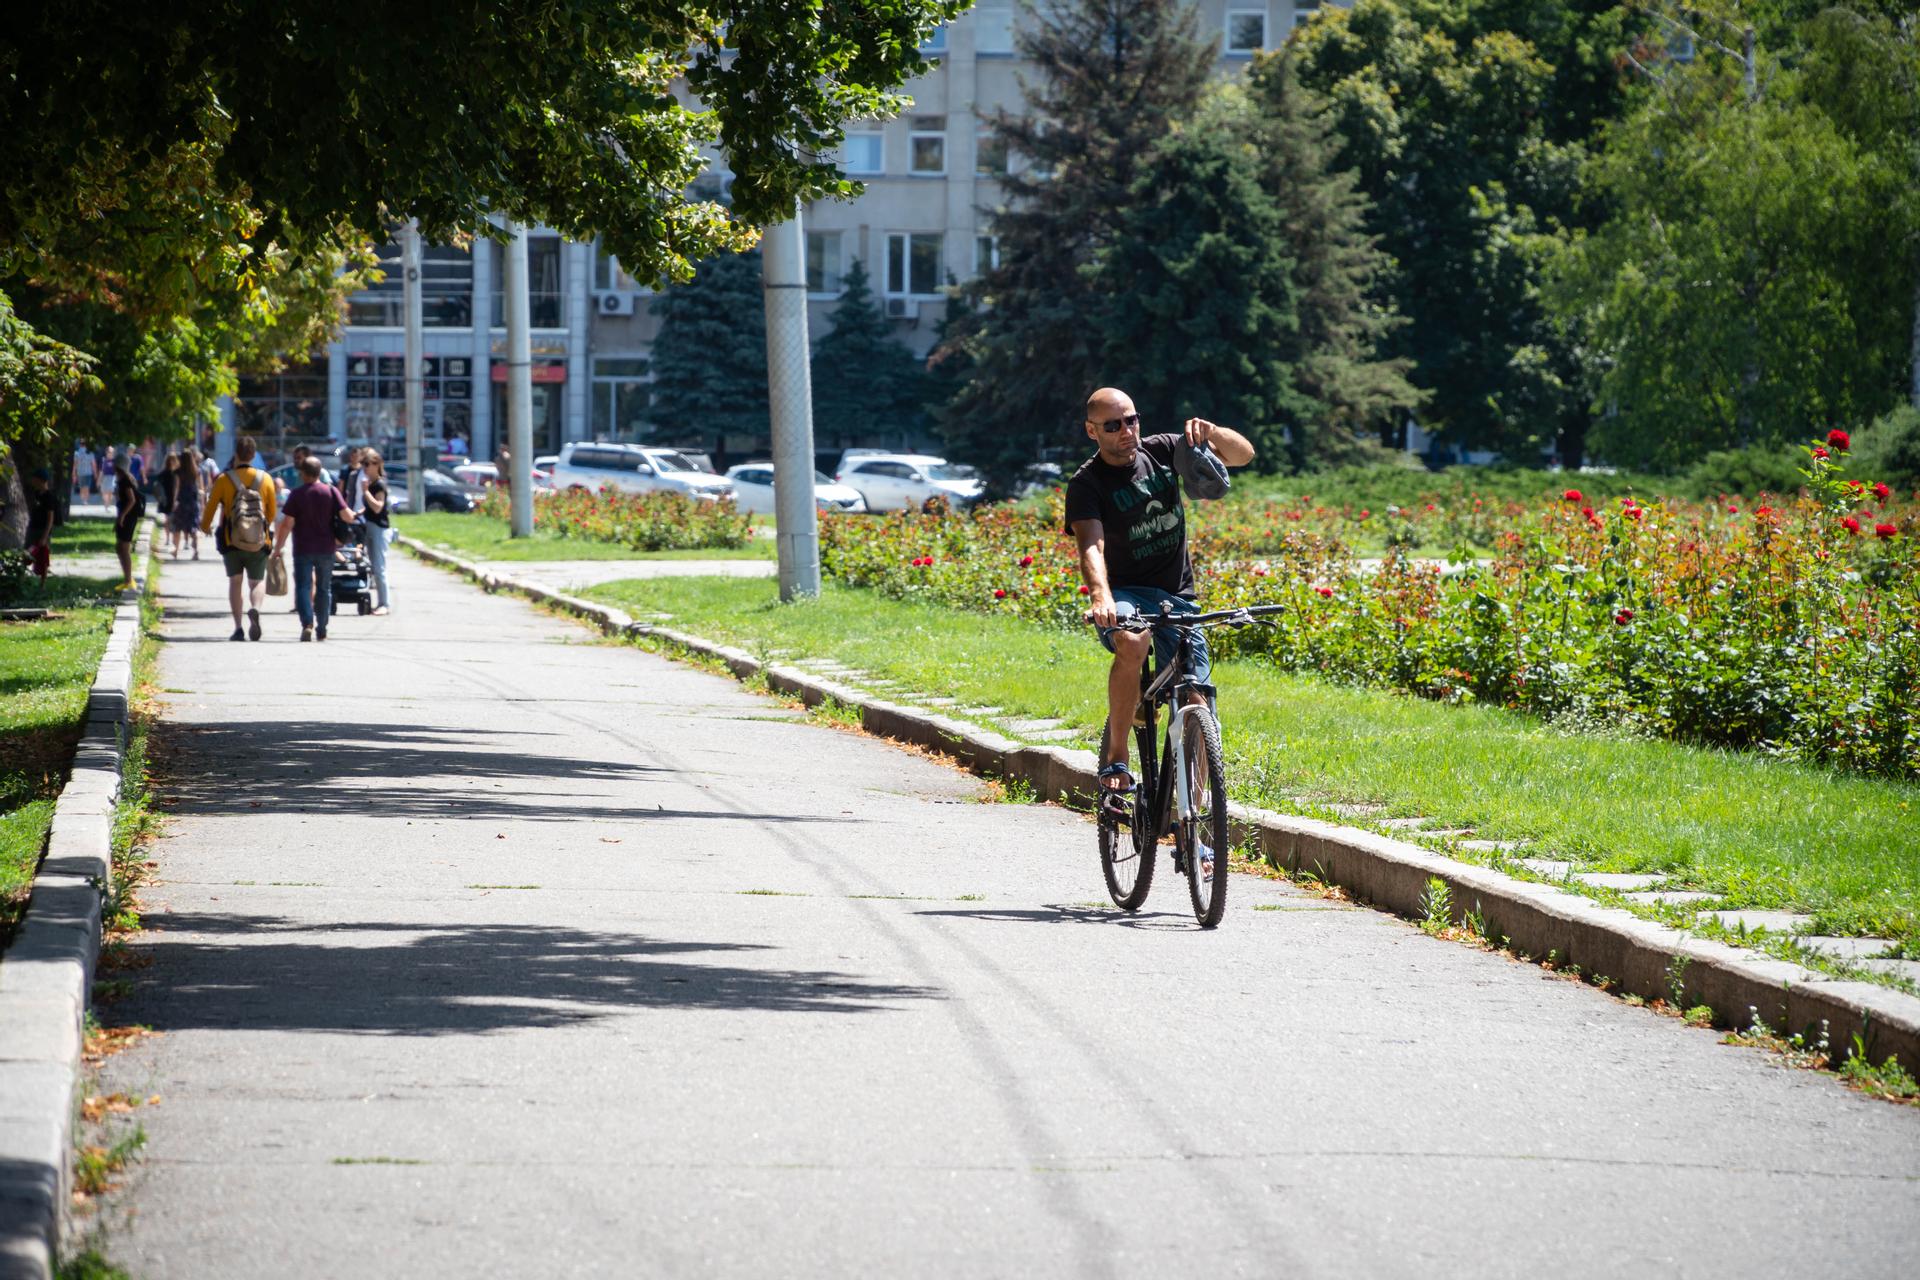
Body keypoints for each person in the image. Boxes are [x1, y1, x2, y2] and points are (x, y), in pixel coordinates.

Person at [1066, 387, 1254, 811]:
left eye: (1131, 420)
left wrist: (1215, 433)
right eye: (1112, 425)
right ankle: (1116, 757)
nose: (1126, 432)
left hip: (1177, 596)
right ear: (1092, 431)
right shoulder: (1086, 483)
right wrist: (1101, 597)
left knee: (1197, 699)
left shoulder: (1166, 449)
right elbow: (1091, 547)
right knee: (1133, 641)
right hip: (1127, 595)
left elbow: (1243, 455)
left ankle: (1199, 821)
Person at [200, 435, 279, 642]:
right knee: (257, 581)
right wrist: (261, 527)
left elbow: (209, 508)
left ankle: (238, 628)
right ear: (253, 455)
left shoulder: (224, 480)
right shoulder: (266, 479)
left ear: (236, 454)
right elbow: (271, 512)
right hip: (258, 541)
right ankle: (255, 608)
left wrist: (205, 527)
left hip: (231, 539)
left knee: (235, 582)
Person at [273, 456, 355, 641]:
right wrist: (355, 513)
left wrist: (278, 547)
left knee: (303, 586)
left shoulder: (297, 494)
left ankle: (307, 623)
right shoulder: (331, 492)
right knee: (324, 588)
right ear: (319, 473)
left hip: (303, 548)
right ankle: (323, 627)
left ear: (303, 473)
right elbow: (347, 516)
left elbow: (287, 523)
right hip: (326, 548)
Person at [360, 453, 393, 615]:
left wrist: (365, 492)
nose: (364, 468)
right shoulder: (372, 484)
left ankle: (384, 604)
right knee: (372, 566)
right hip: (370, 525)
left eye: (367, 464)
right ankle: (380, 602)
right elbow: (369, 508)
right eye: (363, 464)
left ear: (376, 465)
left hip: (380, 528)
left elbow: (378, 507)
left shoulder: (379, 485)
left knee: (379, 567)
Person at [111, 457, 145, 589]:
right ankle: (127, 579)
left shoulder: (125, 481)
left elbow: (131, 500)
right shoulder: (122, 479)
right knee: (119, 547)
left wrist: (122, 516)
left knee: (124, 548)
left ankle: (128, 580)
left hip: (129, 518)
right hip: (125, 516)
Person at [23, 469, 56, 587]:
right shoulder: (36, 494)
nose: (32, 481)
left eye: (34, 478)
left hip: (43, 530)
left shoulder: (49, 497)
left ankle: (43, 583)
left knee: (43, 557)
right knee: (27, 554)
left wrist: (45, 536)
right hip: (33, 528)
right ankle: (21, 578)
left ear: (40, 480)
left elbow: (50, 518)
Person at [170, 447, 204, 559]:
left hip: (181, 502)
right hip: (193, 502)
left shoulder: (178, 472)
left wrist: (174, 502)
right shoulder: (197, 471)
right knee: (193, 527)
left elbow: (176, 488)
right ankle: (196, 551)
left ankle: (176, 550)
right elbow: (201, 488)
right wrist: (202, 504)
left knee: (178, 527)